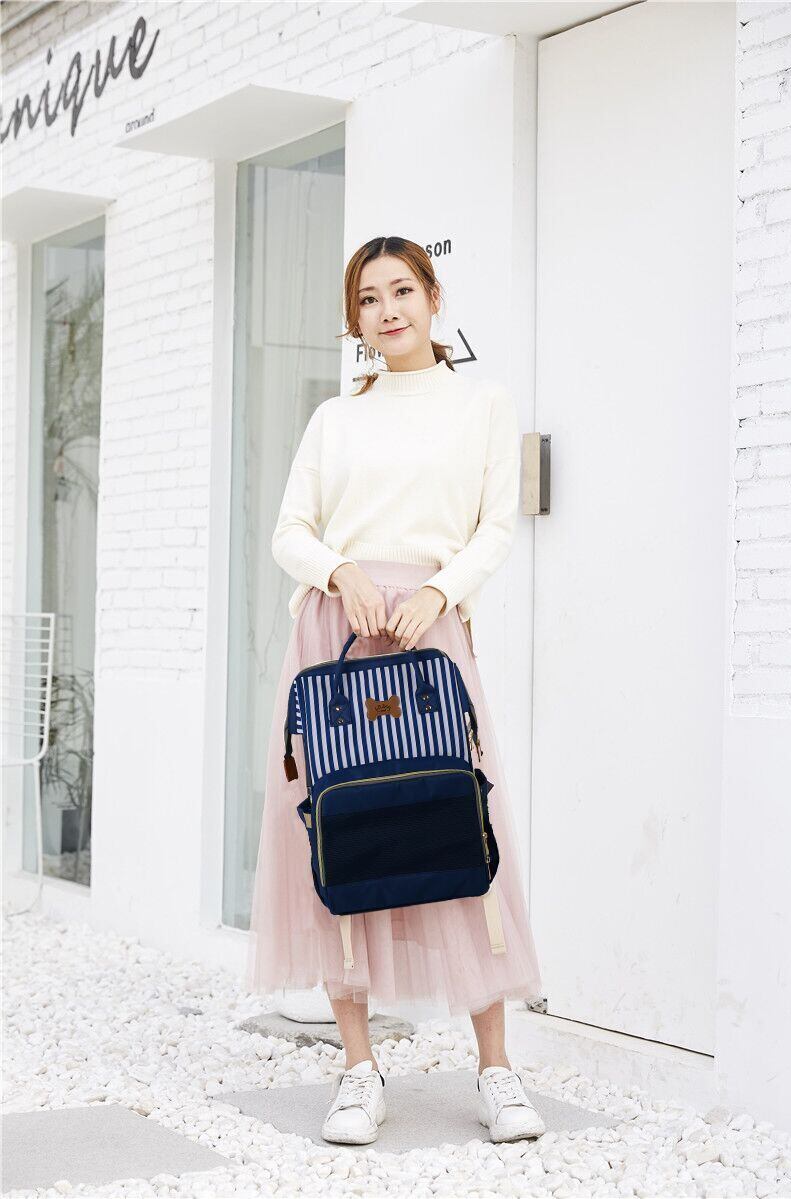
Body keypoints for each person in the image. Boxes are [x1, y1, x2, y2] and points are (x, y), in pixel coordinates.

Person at [245, 235, 545, 1146]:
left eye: (402, 290)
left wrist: (439, 592)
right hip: (337, 636)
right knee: (340, 831)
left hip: (428, 633)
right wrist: (341, 572)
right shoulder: (336, 419)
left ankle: (496, 1069)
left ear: (432, 295)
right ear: (356, 319)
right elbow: (290, 531)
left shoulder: (481, 405)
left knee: (459, 820)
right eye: (369, 298)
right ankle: (357, 1069)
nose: (388, 310)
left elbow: (496, 527)